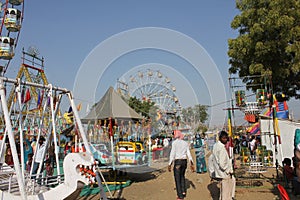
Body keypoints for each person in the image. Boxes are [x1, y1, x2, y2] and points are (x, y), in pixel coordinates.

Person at [168, 130, 195, 200]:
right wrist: (191, 162)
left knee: (177, 179)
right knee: (182, 176)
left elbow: (172, 154)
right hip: (184, 162)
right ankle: (183, 191)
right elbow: (188, 153)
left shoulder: (174, 143)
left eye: (173, 134)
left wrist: (169, 164)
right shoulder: (185, 143)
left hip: (178, 162)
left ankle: (180, 196)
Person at [212, 131, 236, 200]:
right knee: (226, 193)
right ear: (220, 138)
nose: (225, 140)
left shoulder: (216, 146)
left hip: (220, 172)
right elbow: (222, 164)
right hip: (224, 173)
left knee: (223, 191)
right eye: (223, 138)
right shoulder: (221, 148)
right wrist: (228, 171)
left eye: (226, 138)